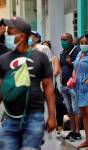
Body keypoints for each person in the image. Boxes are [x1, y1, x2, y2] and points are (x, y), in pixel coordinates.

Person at [0, 16, 56, 150]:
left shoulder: (40, 57)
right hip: (9, 119)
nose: (7, 35)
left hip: (34, 117)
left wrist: (52, 117)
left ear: (22, 35)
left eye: (10, 32)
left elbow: (49, 87)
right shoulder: (3, 59)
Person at [60, 33, 81, 140]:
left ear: (71, 40)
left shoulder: (77, 51)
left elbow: (80, 66)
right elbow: (61, 66)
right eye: (61, 40)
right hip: (64, 85)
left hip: (73, 85)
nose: (63, 42)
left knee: (76, 108)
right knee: (69, 109)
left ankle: (77, 131)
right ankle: (72, 131)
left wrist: (71, 62)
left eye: (65, 39)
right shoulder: (63, 52)